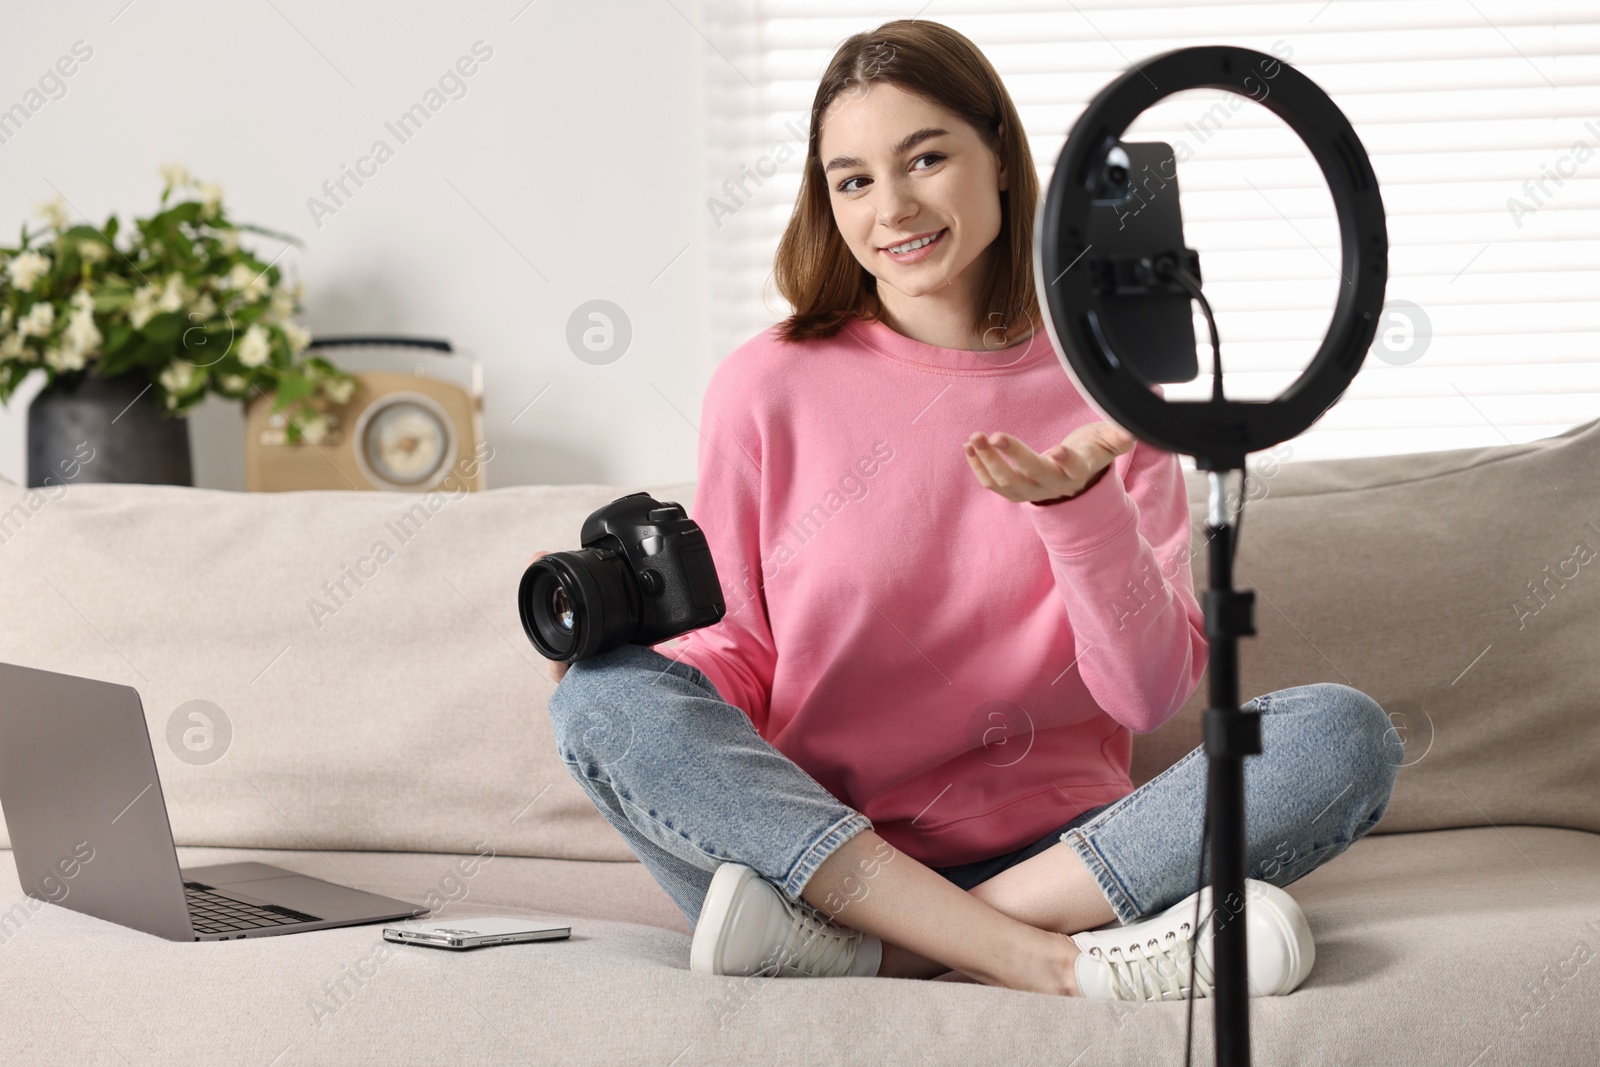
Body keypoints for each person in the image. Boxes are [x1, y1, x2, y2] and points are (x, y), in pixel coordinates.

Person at [538, 19, 1401, 1001]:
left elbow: (1147, 697)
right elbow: (740, 651)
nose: (893, 206)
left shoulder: (1114, 387)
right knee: (599, 695)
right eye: (852, 179)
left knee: (1341, 735)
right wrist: (647, 671)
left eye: (926, 157)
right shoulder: (764, 386)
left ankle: (910, 955)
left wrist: (1079, 503)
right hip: (820, 860)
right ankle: (1043, 962)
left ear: (999, 158)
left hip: (1064, 859)